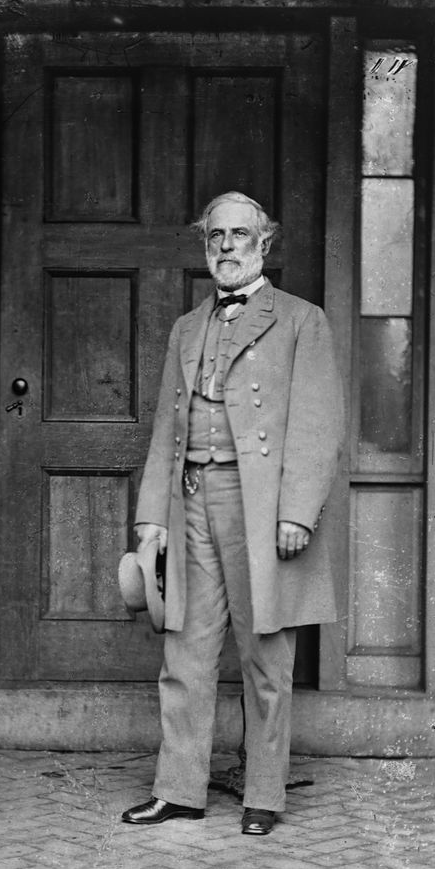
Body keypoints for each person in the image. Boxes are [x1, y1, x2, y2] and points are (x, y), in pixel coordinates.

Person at [121, 191, 345, 835]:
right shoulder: (187, 327)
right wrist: (150, 521)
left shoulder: (302, 320)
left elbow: (316, 425)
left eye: (239, 235)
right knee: (185, 650)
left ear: (264, 244)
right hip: (189, 499)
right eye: (215, 235)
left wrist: (298, 511)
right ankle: (180, 788)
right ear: (204, 244)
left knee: (266, 653)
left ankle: (264, 794)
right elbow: (166, 427)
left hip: (263, 507)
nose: (226, 246)